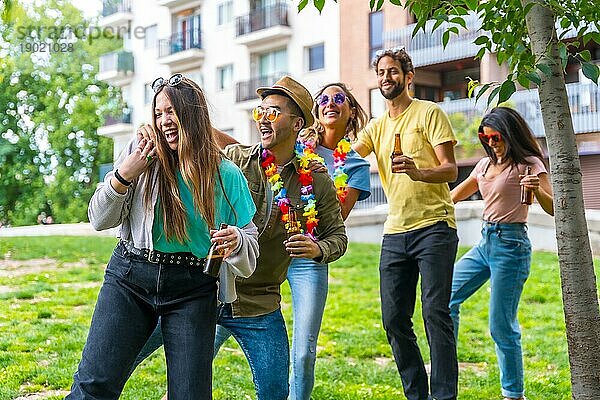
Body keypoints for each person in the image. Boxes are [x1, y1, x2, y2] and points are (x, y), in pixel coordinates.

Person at [132, 75, 348, 400]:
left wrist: (317, 248)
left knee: (275, 392)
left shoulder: (316, 182)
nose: (262, 118)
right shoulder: (235, 161)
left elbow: (338, 237)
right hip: (204, 293)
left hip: (260, 304)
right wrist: (155, 125)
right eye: (260, 111)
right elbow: (194, 139)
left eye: (273, 112)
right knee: (124, 356)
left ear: (298, 123)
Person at [66, 74, 259, 400]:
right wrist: (124, 175)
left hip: (193, 286)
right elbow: (99, 219)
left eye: (172, 111)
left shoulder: (226, 175)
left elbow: (250, 241)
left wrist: (237, 241)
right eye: (158, 112)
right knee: (93, 386)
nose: (164, 120)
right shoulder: (141, 153)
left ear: (193, 115)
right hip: (130, 277)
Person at [352, 47, 460, 400]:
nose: (387, 78)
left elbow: (450, 169)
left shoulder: (429, 113)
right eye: (381, 72)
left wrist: (417, 170)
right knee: (394, 319)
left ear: (408, 76)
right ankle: (417, 394)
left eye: (393, 71)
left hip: (435, 227)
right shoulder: (376, 127)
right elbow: (346, 155)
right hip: (395, 231)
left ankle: (444, 396)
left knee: (434, 313)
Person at [449, 107, 554, 400]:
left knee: (500, 326)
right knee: (445, 299)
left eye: (496, 136)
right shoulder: (483, 166)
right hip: (485, 243)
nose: (491, 142)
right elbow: (452, 198)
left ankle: (513, 393)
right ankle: (446, 367)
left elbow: (553, 207)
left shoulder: (529, 163)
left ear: (509, 134)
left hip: (511, 246)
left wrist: (538, 189)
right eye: (486, 137)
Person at [289, 82, 371, 399]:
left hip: (310, 256)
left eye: (339, 98)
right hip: (271, 249)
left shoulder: (355, 165)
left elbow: (335, 219)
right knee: (222, 324)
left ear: (350, 110)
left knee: (305, 352)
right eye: (323, 98)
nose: (330, 102)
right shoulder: (295, 145)